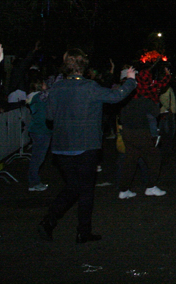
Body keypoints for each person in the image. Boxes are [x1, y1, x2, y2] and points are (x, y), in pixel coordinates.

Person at [38, 49, 137, 243]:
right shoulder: (89, 87)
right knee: (83, 189)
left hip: (61, 146)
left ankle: (65, 225)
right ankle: (68, 226)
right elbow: (116, 96)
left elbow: (49, 117)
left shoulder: (56, 88)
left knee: (76, 187)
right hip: (85, 146)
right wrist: (131, 80)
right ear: (84, 66)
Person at [27, 75, 52, 191]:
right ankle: (34, 182)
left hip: (38, 130)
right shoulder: (39, 98)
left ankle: (34, 181)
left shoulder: (35, 98)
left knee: (37, 157)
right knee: (38, 158)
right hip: (41, 130)